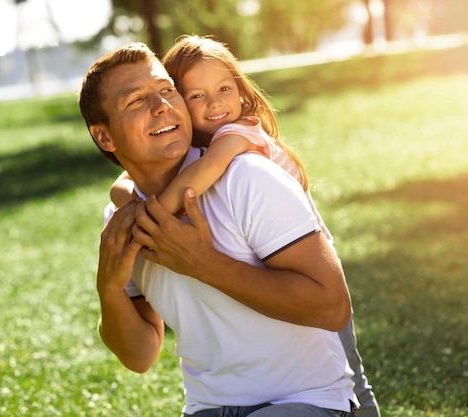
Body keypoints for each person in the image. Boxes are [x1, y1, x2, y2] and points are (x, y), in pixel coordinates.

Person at [79, 42, 368, 417]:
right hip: (207, 408)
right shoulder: (123, 218)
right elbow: (139, 356)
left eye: (168, 90)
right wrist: (109, 288)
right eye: (136, 101)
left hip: (302, 399)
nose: (162, 105)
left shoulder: (245, 177)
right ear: (104, 137)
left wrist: (203, 263)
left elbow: (333, 308)